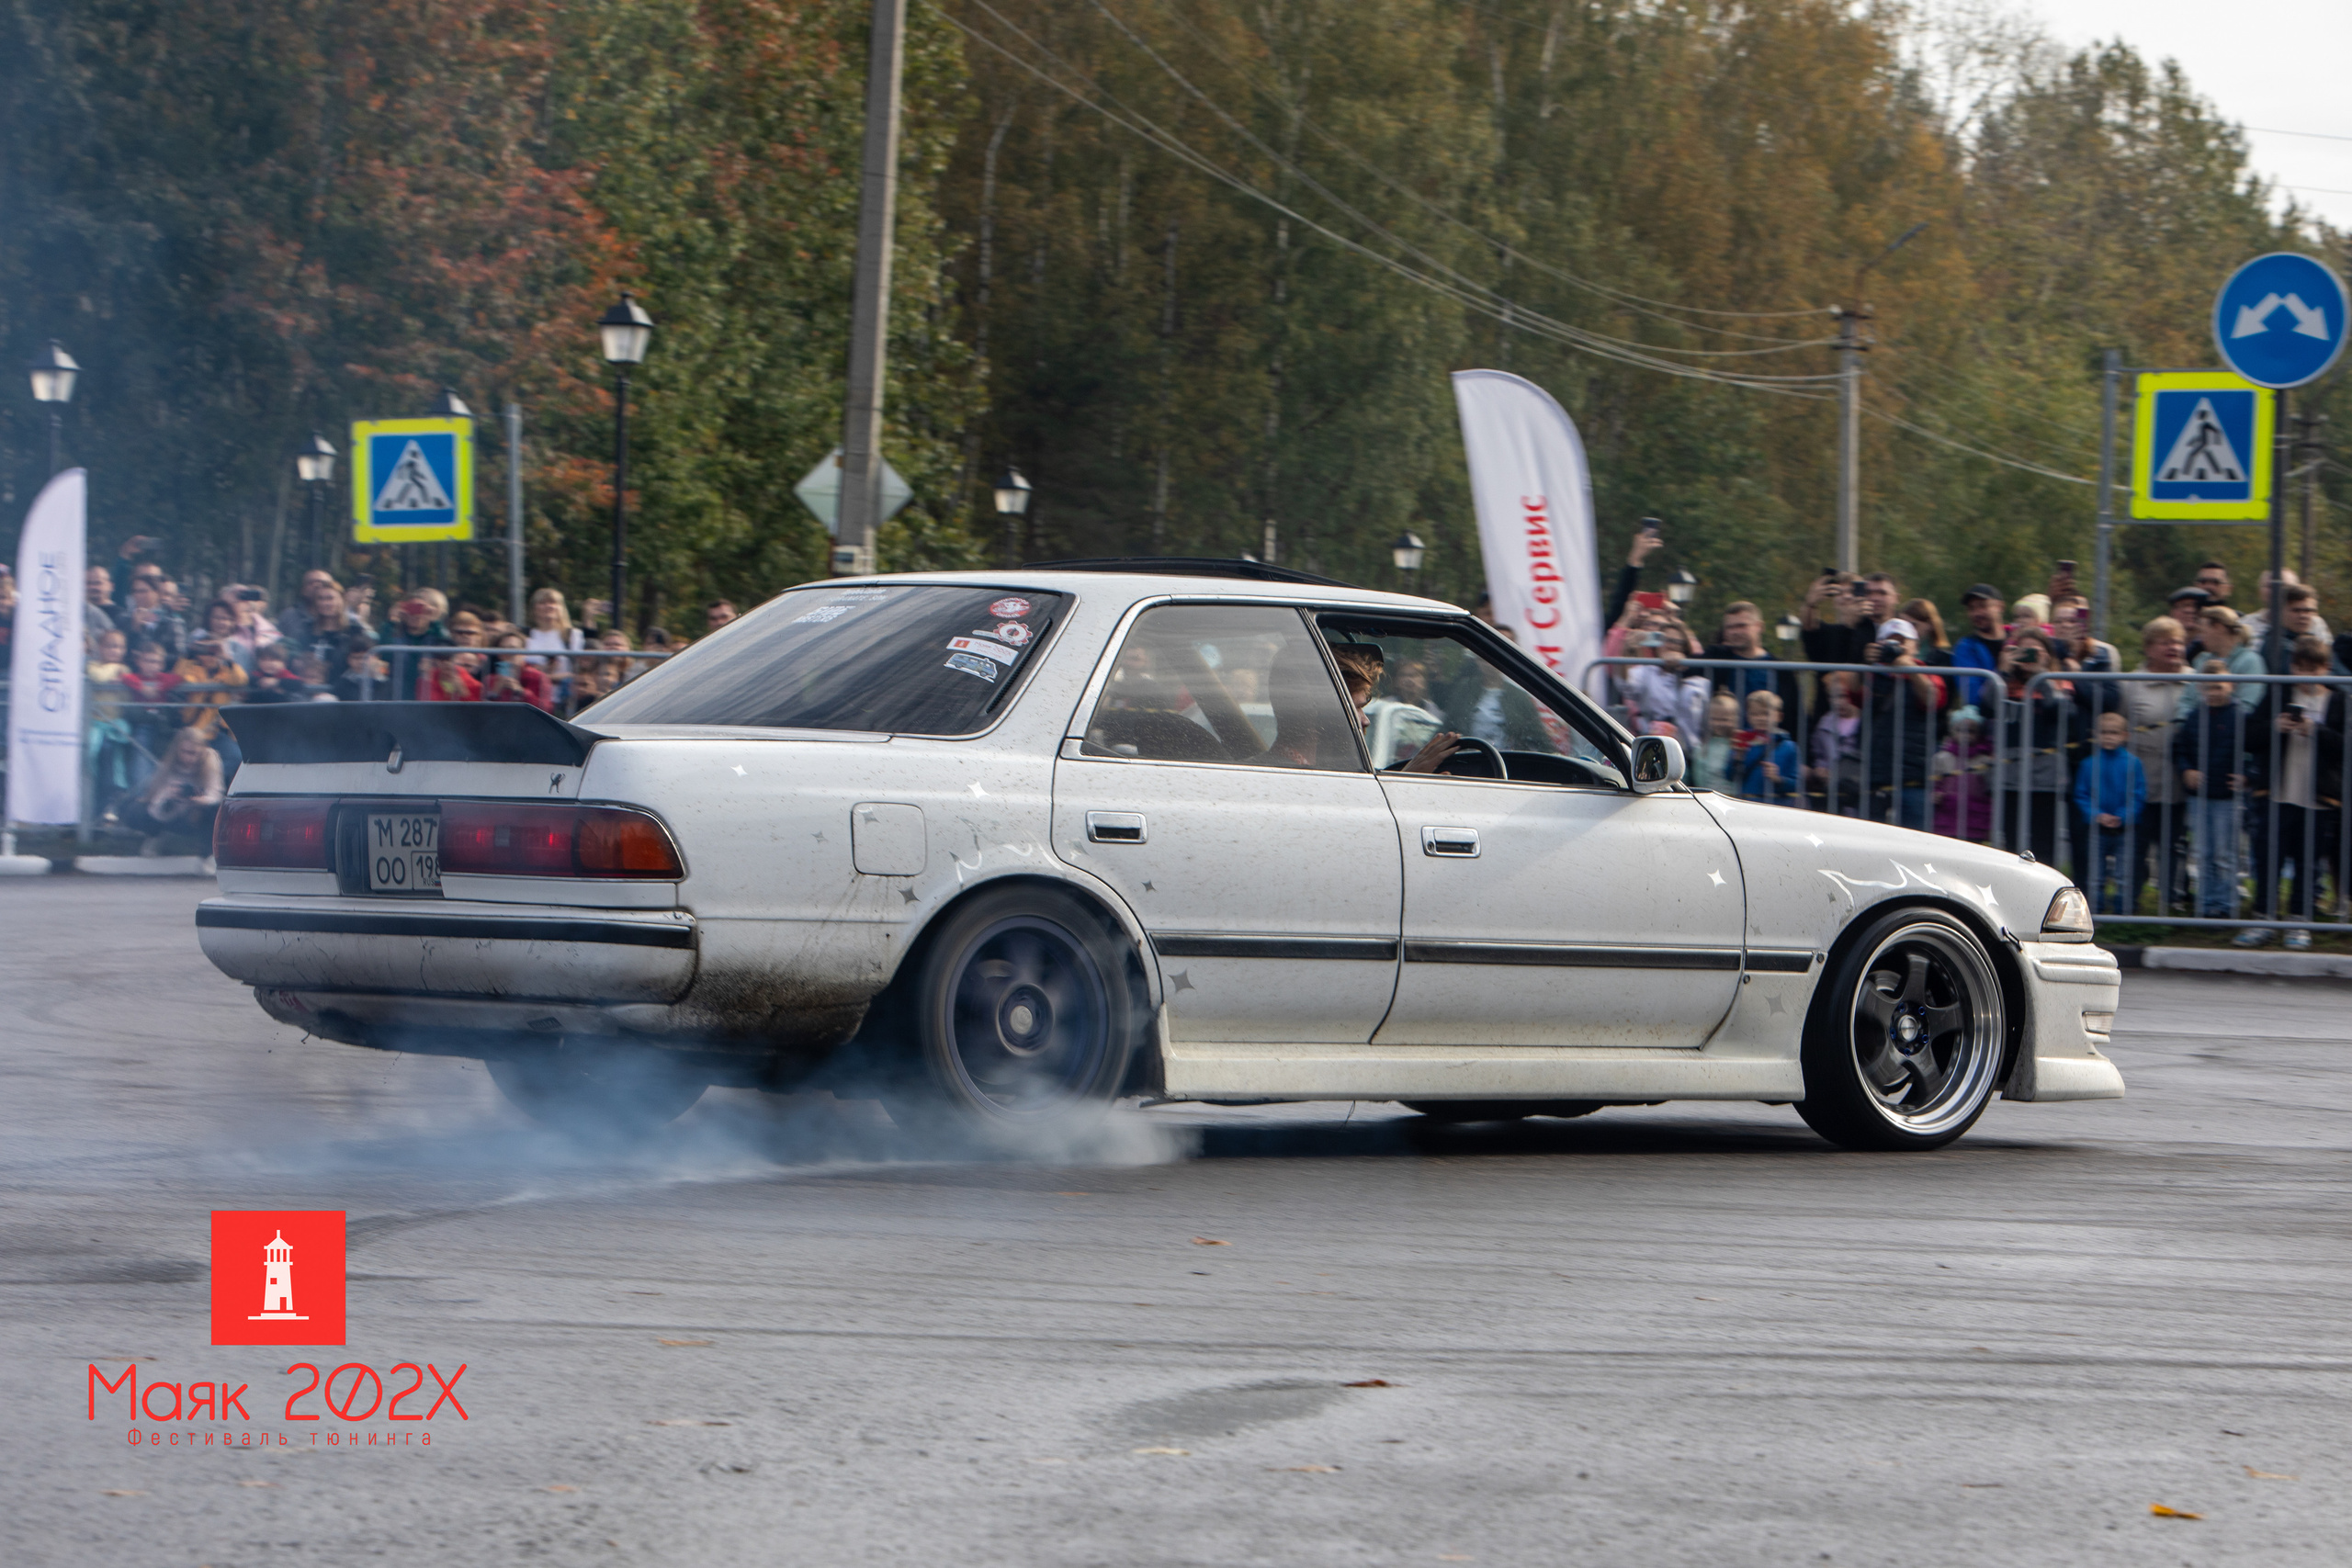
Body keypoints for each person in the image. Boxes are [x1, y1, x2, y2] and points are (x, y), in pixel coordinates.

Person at [2241, 637, 2346, 950]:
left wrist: (2317, 731)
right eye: (2301, 668)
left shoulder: (2340, 700)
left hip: (2320, 799)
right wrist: (2275, 727)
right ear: (2293, 666)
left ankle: (2299, 922)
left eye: (2314, 669)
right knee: (2268, 859)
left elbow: (2344, 747)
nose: (2306, 675)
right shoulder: (2278, 694)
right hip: (2276, 794)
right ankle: (2263, 919)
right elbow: (2249, 737)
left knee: (2307, 863)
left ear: (2326, 668)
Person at [2123, 616, 2193, 913]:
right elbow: (2119, 727)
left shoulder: (2195, 680)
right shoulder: (2131, 684)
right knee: (2137, 843)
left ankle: (2171, 901)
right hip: (2141, 778)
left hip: (2179, 779)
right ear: (2149, 648)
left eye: (2178, 642)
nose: (2173, 647)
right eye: (2166, 642)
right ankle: (2131, 903)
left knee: (2174, 843)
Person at [1988, 627, 2072, 864]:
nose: (2029, 656)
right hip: (2010, 774)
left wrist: (2040, 676)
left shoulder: (2056, 680)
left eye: (2036, 651)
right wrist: (2003, 671)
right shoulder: (2004, 682)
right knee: (2012, 845)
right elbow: (1986, 705)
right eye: (2024, 650)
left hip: (2046, 776)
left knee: (2044, 845)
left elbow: (2060, 711)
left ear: (2048, 654)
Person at [2175, 660, 2250, 920]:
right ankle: (2205, 906)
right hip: (2199, 796)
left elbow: (2253, 750)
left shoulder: (2241, 717)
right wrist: (2186, 769)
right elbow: (2181, 748)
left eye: (2219, 687)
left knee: (2224, 854)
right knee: (2203, 853)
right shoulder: (2194, 717)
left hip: (2228, 797)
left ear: (2231, 686)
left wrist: (2246, 776)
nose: (2214, 693)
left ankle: (2226, 905)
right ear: (2200, 689)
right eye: (2208, 688)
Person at [1856, 615, 1946, 830]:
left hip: (1913, 778)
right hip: (1876, 775)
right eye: (1890, 642)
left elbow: (1933, 699)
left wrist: (1909, 668)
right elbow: (1849, 692)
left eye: (1902, 642)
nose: (1896, 647)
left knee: (1915, 840)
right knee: (1870, 839)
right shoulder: (1872, 675)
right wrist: (1864, 661)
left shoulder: (1928, 674)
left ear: (1915, 646)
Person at [2073, 712, 2147, 915]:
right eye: (2104, 732)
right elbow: (2081, 794)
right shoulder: (2088, 764)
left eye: (2114, 733)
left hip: (2125, 828)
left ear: (2125, 735)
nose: (2109, 737)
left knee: (2123, 875)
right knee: (2095, 876)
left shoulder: (2133, 763)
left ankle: (2122, 914)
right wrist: (2096, 815)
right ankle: (2095, 914)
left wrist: (2123, 816)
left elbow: (2138, 794)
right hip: (2096, 828)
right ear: (2096, 735)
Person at [116, 726, 225, 852]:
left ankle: (207, 849)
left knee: (215, 811)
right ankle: (157, 837)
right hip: (172, 813)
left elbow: (216, 796)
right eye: (185, 752)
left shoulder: (210, 759)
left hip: (198, 811)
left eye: (194, 753)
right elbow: (153, 807)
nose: (189, 758)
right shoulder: (169, 764)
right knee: (133, 809)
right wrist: (168, 796)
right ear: (178, 750)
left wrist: (197, 799)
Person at [1700, 600, 1800, 717]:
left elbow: (1795, 713)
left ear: (1759, 627)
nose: (1735, 632)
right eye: (1729, 627)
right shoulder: (1715, 659)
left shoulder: (1782, 670)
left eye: (1741, 626)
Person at [2177, 605, 2262, 715]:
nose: (2200, 638)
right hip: (2197, 723)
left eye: (2203, 632)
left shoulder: (2250, 661)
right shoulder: (2201, 660)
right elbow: (2188, 700)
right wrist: (2183, 720)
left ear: (2218, 627)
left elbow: (2246, 705)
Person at [1932, 706, 1994, 841]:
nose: (1965, 735)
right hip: (1945, 822)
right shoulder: (1941, 758)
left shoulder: (1985, 761)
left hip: (1976, 823)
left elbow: (1990, 792)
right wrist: (1936, 794)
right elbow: (1934, 784)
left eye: (1971, 731)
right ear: (1952, 732)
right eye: (1960, 730)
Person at [1807, 671, 1863, 815]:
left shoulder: (1865, 722)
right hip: (1831, 792)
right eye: (1832, 697)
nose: (1838, 702)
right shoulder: (1824, 724)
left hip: (1857, 789)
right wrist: (1820, 769)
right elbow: (1819, 754)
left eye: (1843, 696)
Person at [1733, 688, 1801, 805]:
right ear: (1748, 716)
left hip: (1777, 808)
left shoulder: (1789, 747)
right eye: (1755, 714)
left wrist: (1777, 779)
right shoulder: (1743, 741)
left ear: (1779, 716)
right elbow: (1730, 776)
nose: (1761, 718)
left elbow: (1797, 785)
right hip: (1746, 806)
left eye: (1766, 713)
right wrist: (1738, 759)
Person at [1950, 585, 2006, 707]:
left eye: (1982, 606)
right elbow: (1972, 697)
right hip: (1988, 716)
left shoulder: (2017, 640)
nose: (1976, 613)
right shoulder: (1966, 647)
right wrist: (2003, 671)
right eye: (1971, 608)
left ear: (2000, 607)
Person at [482, 631, 556, 710]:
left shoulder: (539, 677)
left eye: (513, 649)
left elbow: (547, 709)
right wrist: (495, 692)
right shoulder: (490, 679)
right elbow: (482, 710)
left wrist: (522, 693)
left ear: (523, 652)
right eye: (503, 649)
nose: (507, 653)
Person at [1693, 692, 1741, 792]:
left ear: (1735, 719)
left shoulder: (1740, 746)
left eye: (1724, 720)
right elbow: (1698, 780)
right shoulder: (1700, 749)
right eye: (1714, 719)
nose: (1718, 724)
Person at [330, 636, 388, 702]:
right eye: (356, 658)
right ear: (348, 660)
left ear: (377, 658)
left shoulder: (387, 684)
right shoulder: (342, 685)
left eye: (366, 658)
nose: (361, 662)